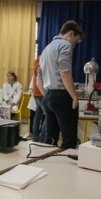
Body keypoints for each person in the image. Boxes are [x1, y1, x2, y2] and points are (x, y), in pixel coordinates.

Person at [37, 20, 84, 148]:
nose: (74, 45)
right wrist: (74, 96)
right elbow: (65, 73)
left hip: (48, 97)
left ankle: (47, 159)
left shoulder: (46, 49)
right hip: (62, 96)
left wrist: (48, 96)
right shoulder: (65, 45)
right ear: (71, 34)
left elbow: (38, 79)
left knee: (50, 138)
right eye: (76, 41)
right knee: (69, 139)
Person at [31, 56, 45, 142]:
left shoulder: (37, 62)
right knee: (47, 114)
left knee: (38, 114)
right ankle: (42, 136)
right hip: (40, 92)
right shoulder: (39, 64)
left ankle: (36, 135)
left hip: (37, 92)